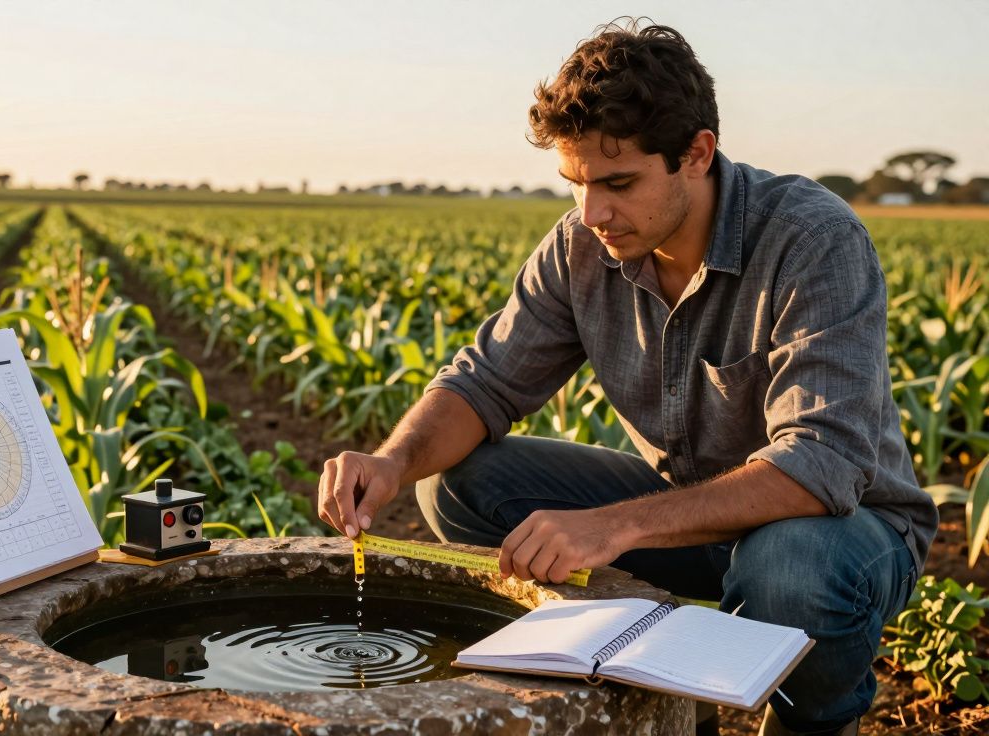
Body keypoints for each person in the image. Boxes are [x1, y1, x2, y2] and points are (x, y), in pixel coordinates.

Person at [316, 19, 935, 736]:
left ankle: (816, 722)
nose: (592, 213)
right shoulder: (582, 245)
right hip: (690, 517)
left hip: (842, 529)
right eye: (575, 183)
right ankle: (659, 687)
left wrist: (612, 528)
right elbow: (483, 383)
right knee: (455, 482)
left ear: (696, 153)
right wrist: (390, 461)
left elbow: (821, 465)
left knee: (790, 569)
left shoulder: (811, 240)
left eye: (617, 182)